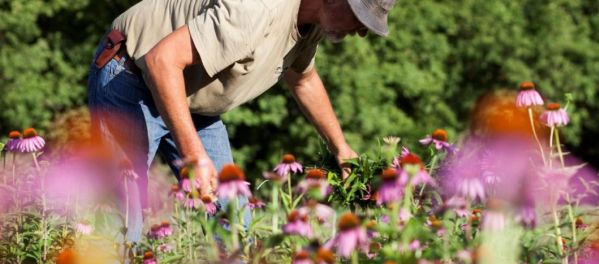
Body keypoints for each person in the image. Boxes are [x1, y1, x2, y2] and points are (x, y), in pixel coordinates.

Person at [88, 0, 397, 243]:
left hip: (191, 97)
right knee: (122, 220)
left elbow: (303, 79)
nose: (362, 32)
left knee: (235, 225)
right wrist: (194, 155)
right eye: (361, 18)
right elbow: (162, 60)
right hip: (132, 76)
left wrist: (342, 149)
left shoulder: (311, 22)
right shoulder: (257, 8)